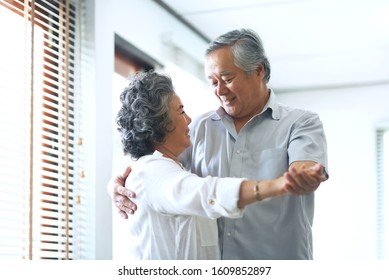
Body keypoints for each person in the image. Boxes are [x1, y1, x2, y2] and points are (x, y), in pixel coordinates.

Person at [111, 28, 329, 260]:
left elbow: (304, 172)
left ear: (258, 70)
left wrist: (303, 178)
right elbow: (159, 171)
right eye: (213, 82)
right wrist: (119, 184)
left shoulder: (300, 123)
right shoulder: (198, 128)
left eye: (227, 79)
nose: (219, 90)